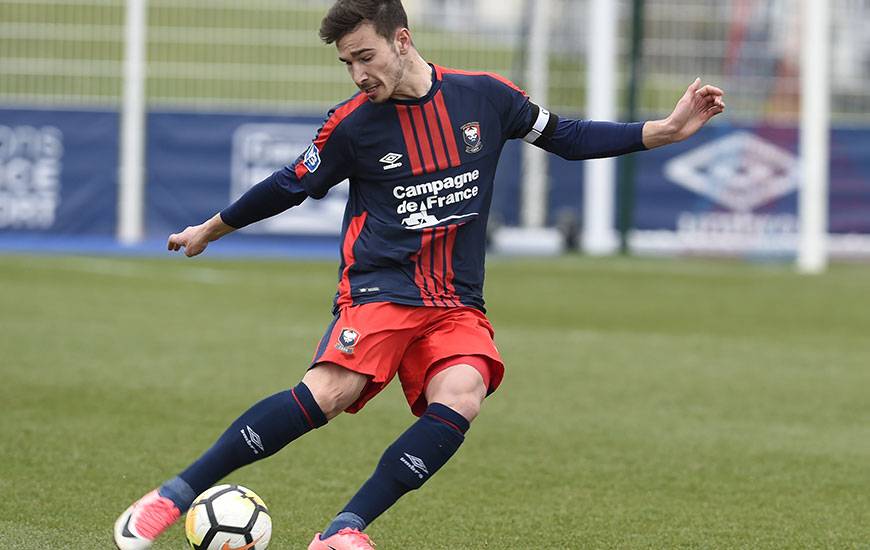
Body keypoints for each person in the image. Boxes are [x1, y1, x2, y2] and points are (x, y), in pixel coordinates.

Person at [113, 1, 725, 548]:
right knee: (330, 394)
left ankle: (343, 531)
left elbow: (566, 136)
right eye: (348, 63)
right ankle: (173, 494)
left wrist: (665, 130)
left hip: (456, 299)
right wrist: (211, 228)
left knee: (463, 393)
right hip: (380, 287)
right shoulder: (352, 125)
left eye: (365, 57)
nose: (358, 74)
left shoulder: (486, 97)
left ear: (401, 40)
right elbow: (288, 185)